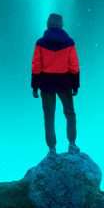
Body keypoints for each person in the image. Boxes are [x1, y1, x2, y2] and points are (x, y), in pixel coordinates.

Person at [31, 13, 81, 156]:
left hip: (46, 83)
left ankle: (52, 149)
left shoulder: (40, 43)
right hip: (64, 82)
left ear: (48, 24)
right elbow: (74, 66)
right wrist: (75, 84)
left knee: (49, 116)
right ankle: (72, 144)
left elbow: (36, 66)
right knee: (70, 113)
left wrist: (35, 86)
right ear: (61, 24)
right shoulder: (69, 42)